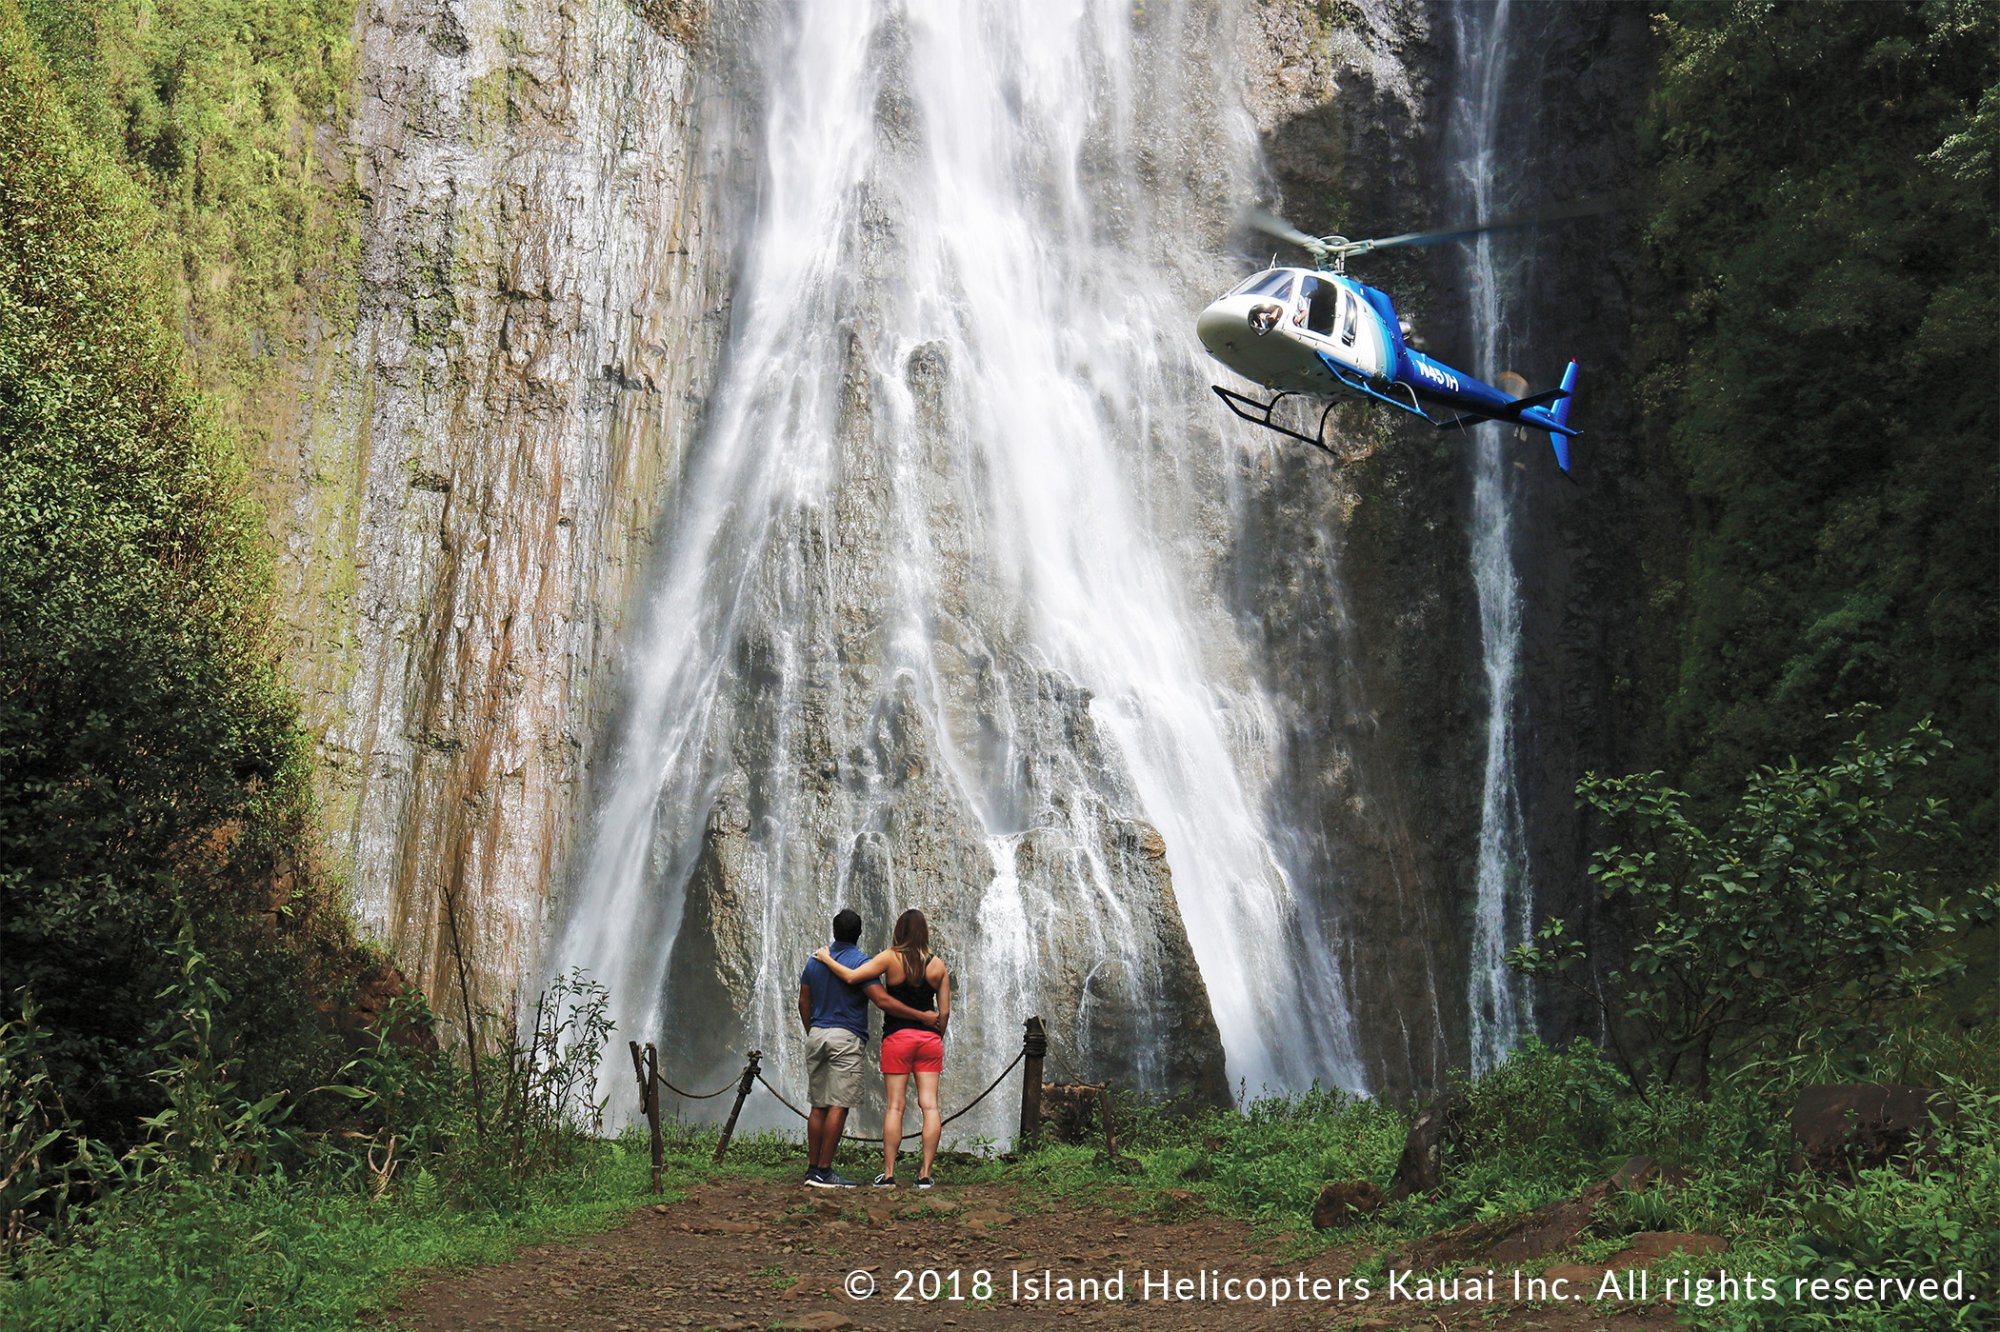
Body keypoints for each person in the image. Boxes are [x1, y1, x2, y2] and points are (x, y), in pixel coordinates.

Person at [798, 908, 938, 1188]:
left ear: (834, 931)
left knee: (818, 1105)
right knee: (838, 1103)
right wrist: (922, 1016)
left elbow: (804, 1000)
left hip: (817, 1034)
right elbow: (882, 1001)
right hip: (845, 1037)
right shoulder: (861, 961)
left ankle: (813, 1167)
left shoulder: (814, 961)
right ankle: (823, 1171)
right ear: (859, 933)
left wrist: (811, 1028)